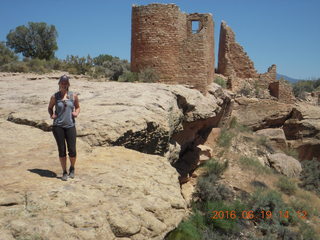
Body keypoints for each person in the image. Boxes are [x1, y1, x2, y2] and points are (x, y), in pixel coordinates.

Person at [48, 75, 80, 181]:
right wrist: (51, 115)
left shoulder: (73, 96)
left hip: (70, 126)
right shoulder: (55, 97)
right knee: (62, 150)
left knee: (72, 150)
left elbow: (78, 107)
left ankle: (72, 168)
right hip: (58, 127)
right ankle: (64, 172)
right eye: (62, 83)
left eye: (65, 83)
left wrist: (76, 112)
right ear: (59, 84)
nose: (64, 84)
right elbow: (50, 108)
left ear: (68, 84)